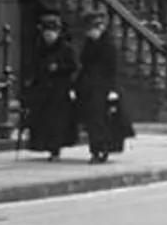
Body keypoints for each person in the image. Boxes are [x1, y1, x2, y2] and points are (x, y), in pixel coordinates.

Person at [74, 12, 130, 163]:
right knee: (92, 120)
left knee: (101, 120)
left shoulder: (109, 47)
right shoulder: (88, 45)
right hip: (88, 87)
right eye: (89, 30)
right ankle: (95, 149)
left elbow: (114, 70)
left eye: (94, 29)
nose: (91, 33)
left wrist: (113, 90)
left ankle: (102, 149)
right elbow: (84, 66)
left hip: (103, 88)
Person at [24, 13, 78, 160]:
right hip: (42, 89)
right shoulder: (39, 48)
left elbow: (73, 66)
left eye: (52, 33)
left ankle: (55, 148)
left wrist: (59, 67)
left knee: (57, 122)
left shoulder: (66, 49)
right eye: (46, 33)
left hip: (59, 90)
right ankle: (43, 145)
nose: (49, 36)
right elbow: (33, 65)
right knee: (43, 120)